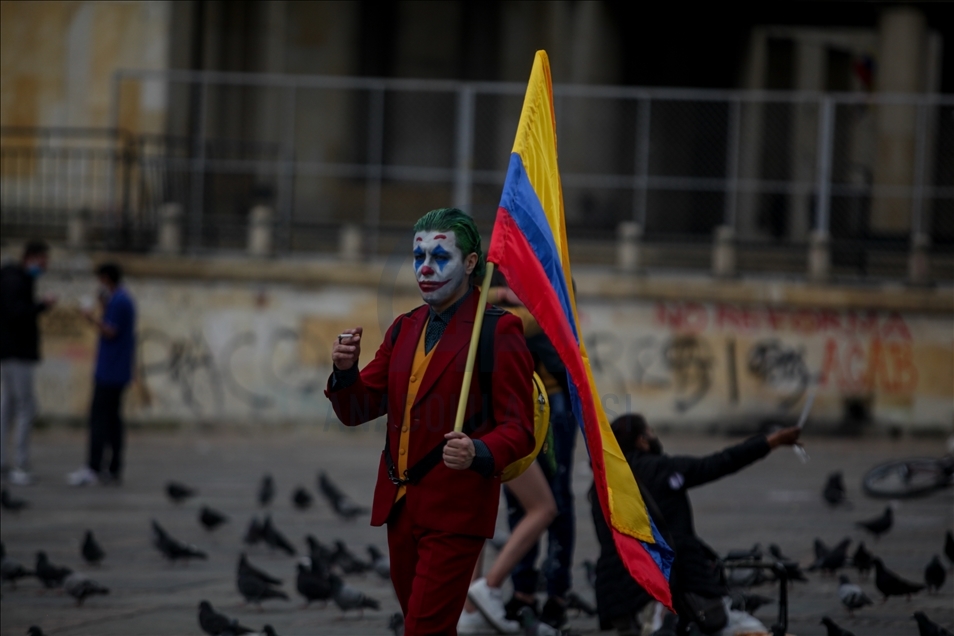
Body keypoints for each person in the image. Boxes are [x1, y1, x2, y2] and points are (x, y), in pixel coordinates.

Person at [326, 208, 536, 635]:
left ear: (472, 263)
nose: (424, 268)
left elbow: (519, 429)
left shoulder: (499, 331)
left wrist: (478, 450)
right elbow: (357, 410)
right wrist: (346, 372)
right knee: (426, 625)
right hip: (400, 510)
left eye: (440, 257)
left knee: (422, 629)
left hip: (457, 511)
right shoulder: (404, 328)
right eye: (417, 256)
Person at [592, 414, 801, 635]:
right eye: (650, 432)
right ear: (642, 440)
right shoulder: (662, 469)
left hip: (615, 595)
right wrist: (772, 441)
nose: (653, 436)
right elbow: (720, 462)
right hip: (658, 585)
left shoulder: (600, 485)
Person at [463, 281, 579, 632]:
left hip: (550, 399)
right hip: (502, 401)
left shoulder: (548, 259)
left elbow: (551, 317)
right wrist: (501, 296)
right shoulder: (494, 265)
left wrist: (506, 301)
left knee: (552, 499)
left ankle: (555, 595)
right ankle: (515, 594)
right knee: (518, 504)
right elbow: (477, 308)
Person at [67, 263, 137, 486]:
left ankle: (93, 467)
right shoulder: (122, 300)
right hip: (118, 370)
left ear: (106, 279)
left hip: (110, 372)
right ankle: (113, 468)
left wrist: (90, 318)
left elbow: (110, 330)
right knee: (113, 420)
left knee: (99, 420)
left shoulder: (119, 301)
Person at [0, 240, 55, 485]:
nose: (45, 265)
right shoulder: (15, 280)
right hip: (17, 353)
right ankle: (21, 464)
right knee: (25, 407)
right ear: (31, 258)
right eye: (43, 260)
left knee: (9, 407)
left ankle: (4, 461)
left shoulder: (15, 278)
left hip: (11, 353)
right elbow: (17, 314)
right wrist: (42, 305)